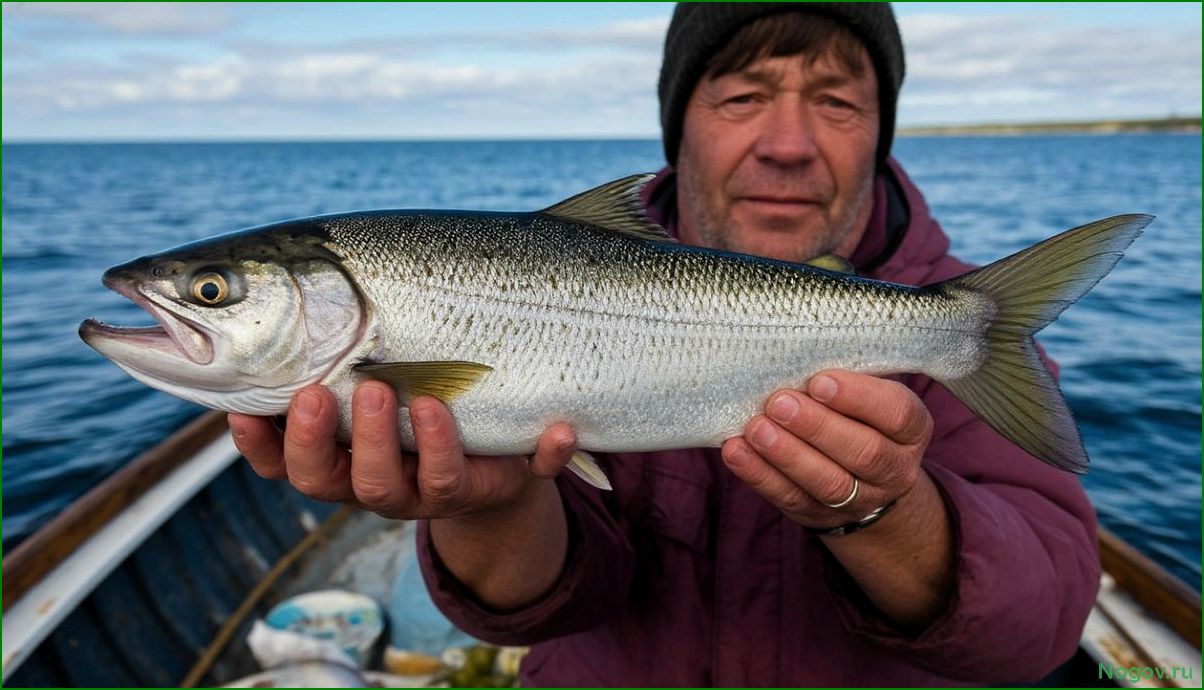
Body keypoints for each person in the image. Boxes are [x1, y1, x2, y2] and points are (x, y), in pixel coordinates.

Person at [230, 4, 1101, 685]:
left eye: (838, 101)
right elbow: (551, 608)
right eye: (742, 96)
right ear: (678, 126)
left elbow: (1043, 630)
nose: (789, 145)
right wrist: (490, 502)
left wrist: (888, 513)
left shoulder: (949, 321)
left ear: (881, 132)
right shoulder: (556, 267)